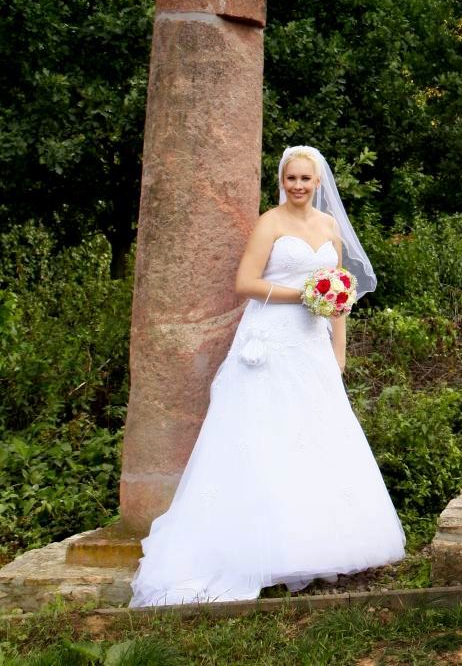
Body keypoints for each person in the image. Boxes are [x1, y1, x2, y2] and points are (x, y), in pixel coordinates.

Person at [129, 145, 406, 605]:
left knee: (313, 437)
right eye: (291, 178)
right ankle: (257, 549)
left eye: (306, 179)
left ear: (318, 183)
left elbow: (338, 295)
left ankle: (314, 546)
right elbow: (246, 283)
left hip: (312, 345)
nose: (298, 186)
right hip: (270, 342)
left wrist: (339, 351)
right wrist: (300, 294)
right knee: (263, 435)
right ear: (282, 180)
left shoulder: (329, 228)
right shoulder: (270, 223)